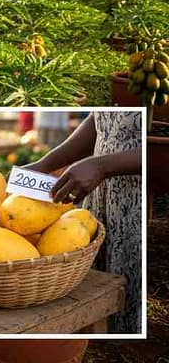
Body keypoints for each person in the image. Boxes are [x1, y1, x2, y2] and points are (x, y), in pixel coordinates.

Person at [23, 111, 141, 334]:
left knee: (130, 290)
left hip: (135, 198)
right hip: (98, 195)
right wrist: (44, 164)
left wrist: (102, 166)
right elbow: (102, 120)